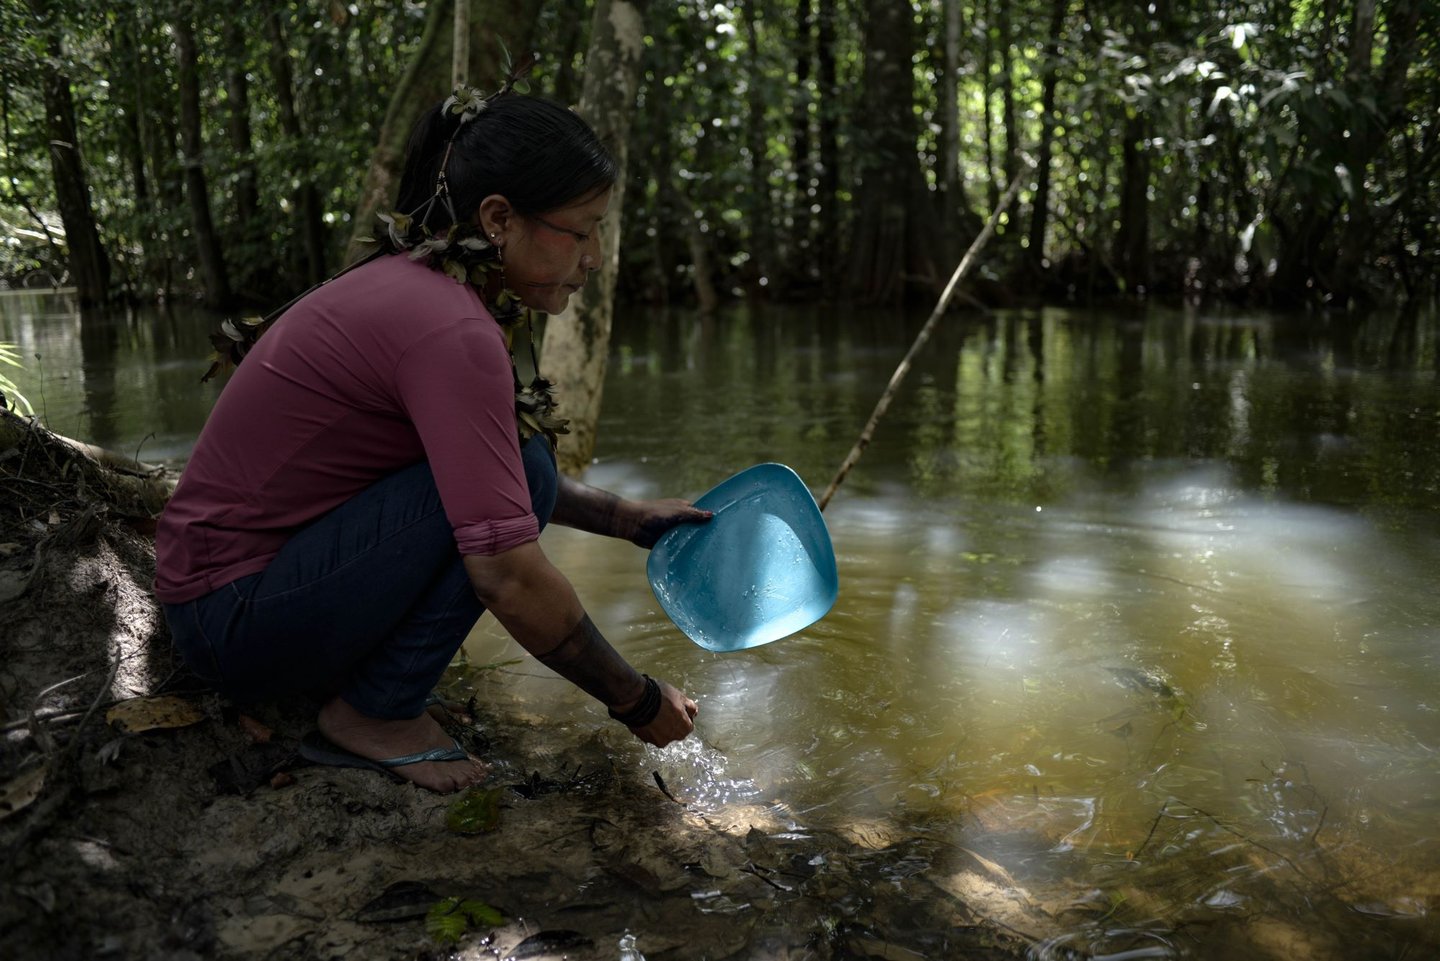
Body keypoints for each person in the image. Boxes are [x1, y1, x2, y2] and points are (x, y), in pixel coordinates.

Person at [154, 77, 709, 794]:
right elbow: (507, 576)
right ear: (499, 217)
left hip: (220, 594)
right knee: (525, 480)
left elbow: (486, 465)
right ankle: (375, 713)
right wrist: (635, 698)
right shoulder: (453, 330)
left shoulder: (418, 281)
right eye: (583, 229)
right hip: (230, 622)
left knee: (526, 460)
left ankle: (370, 690)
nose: (595, 257)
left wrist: (624, 518)